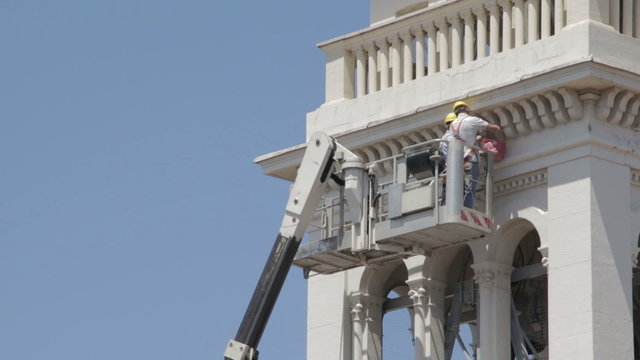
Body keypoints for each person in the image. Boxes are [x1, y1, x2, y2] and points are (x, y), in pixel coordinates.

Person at [450, 100, 502, 208]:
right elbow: (495, 128)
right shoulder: (472, 120)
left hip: (458, 160)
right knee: (470, 188)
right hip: (471, 158)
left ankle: (459, 208)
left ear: (455, 112)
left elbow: (464, 138)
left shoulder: (452, 125)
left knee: (460, 188)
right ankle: (467, 209)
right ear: (467, 109)